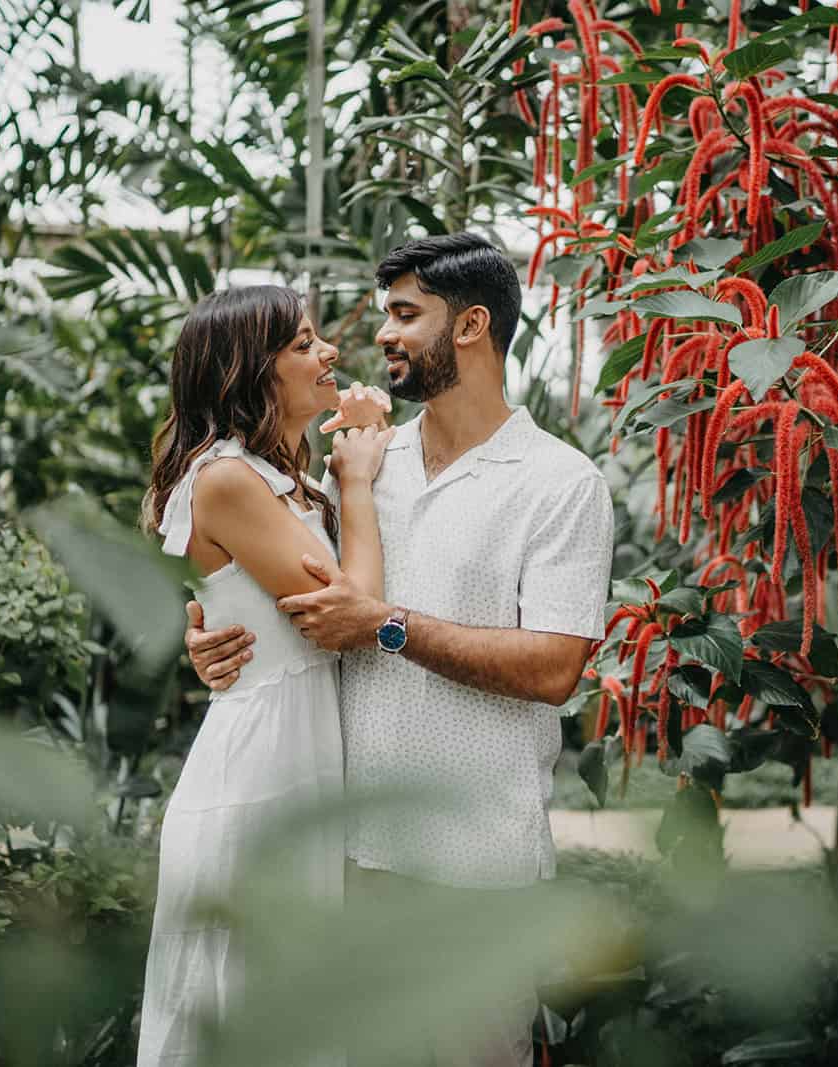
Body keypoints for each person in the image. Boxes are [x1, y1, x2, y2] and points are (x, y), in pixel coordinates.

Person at [184, 233, 616, 1067]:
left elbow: (555, 668)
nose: (382, 333)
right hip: (340, 859)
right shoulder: (363, 463)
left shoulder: (561, 484)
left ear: (471, 326)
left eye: (405, 314)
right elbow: (273, 581)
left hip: (476, 870)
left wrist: (386, 623)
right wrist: (210, 636)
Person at [136, 284, 393, 1066]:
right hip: (262, 768)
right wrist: (356, 479)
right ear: (253, 370)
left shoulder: (272, 473)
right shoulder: (225, 479)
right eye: (306, 344)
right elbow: (355, 610)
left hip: (298, 750)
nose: (330, 355)